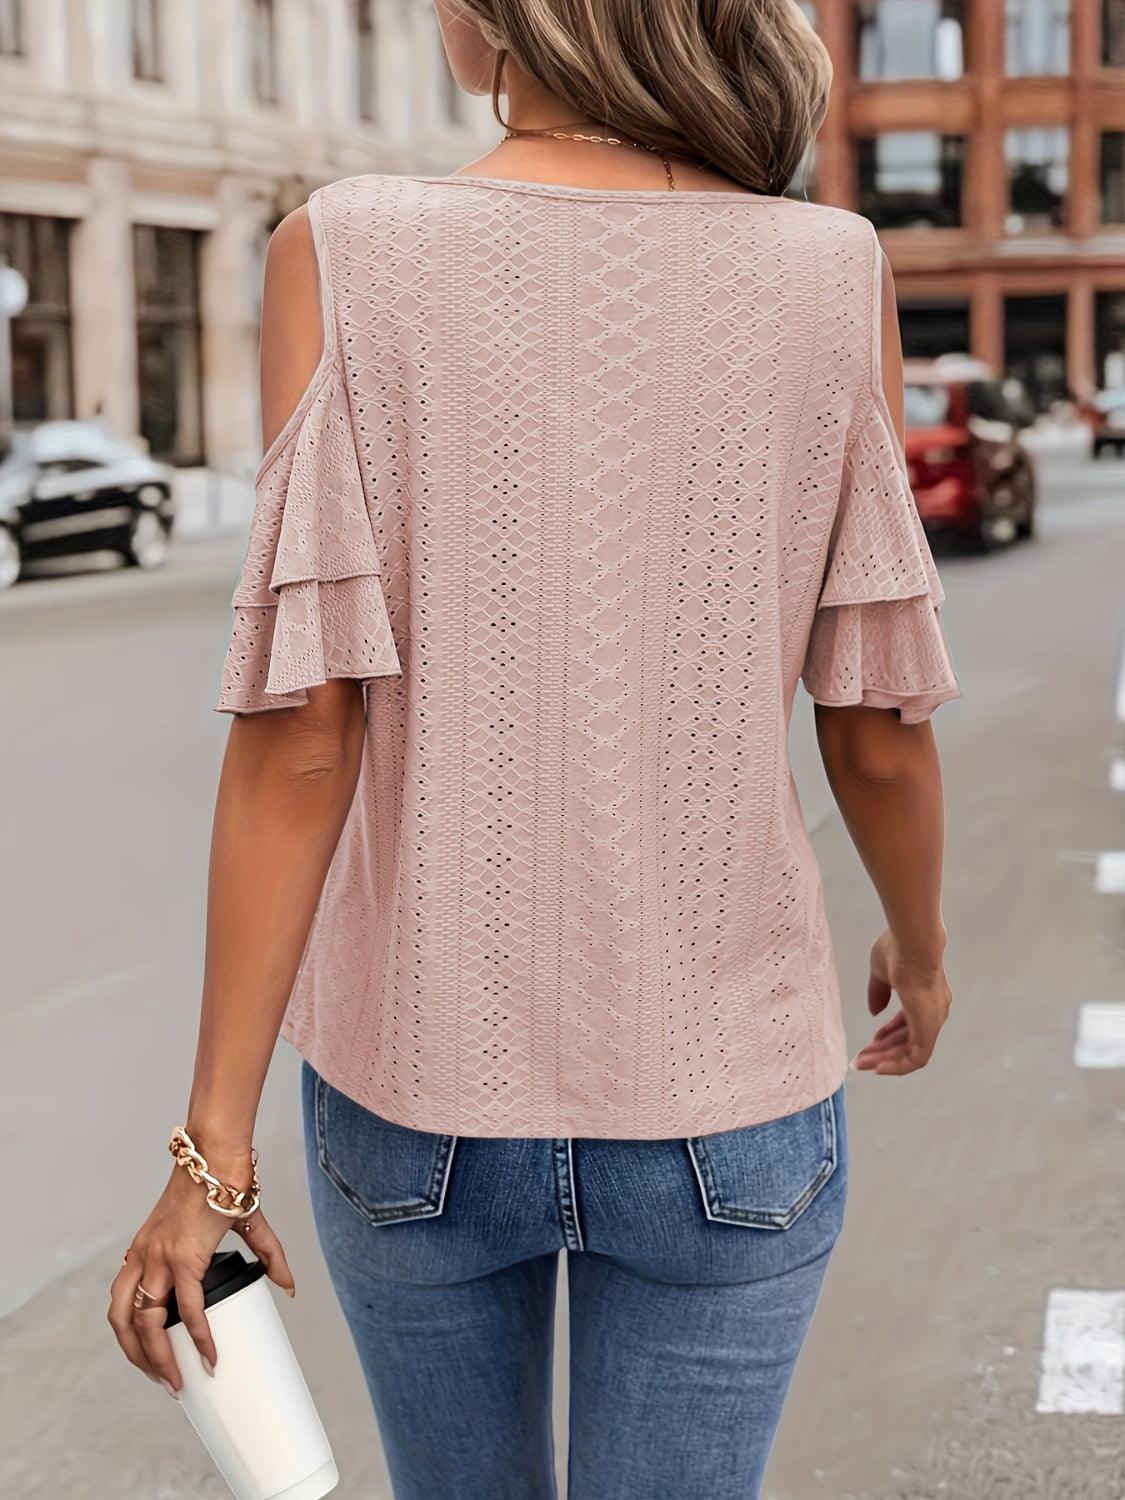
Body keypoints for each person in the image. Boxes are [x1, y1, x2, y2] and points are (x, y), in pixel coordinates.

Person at [108, 3, 959, 1495]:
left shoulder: (340, 249)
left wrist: (209, 1154)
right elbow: (874, 728)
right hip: (726, 1102)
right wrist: (921, 943)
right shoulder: (830, 267)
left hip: (415, 1103)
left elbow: (301, 734)